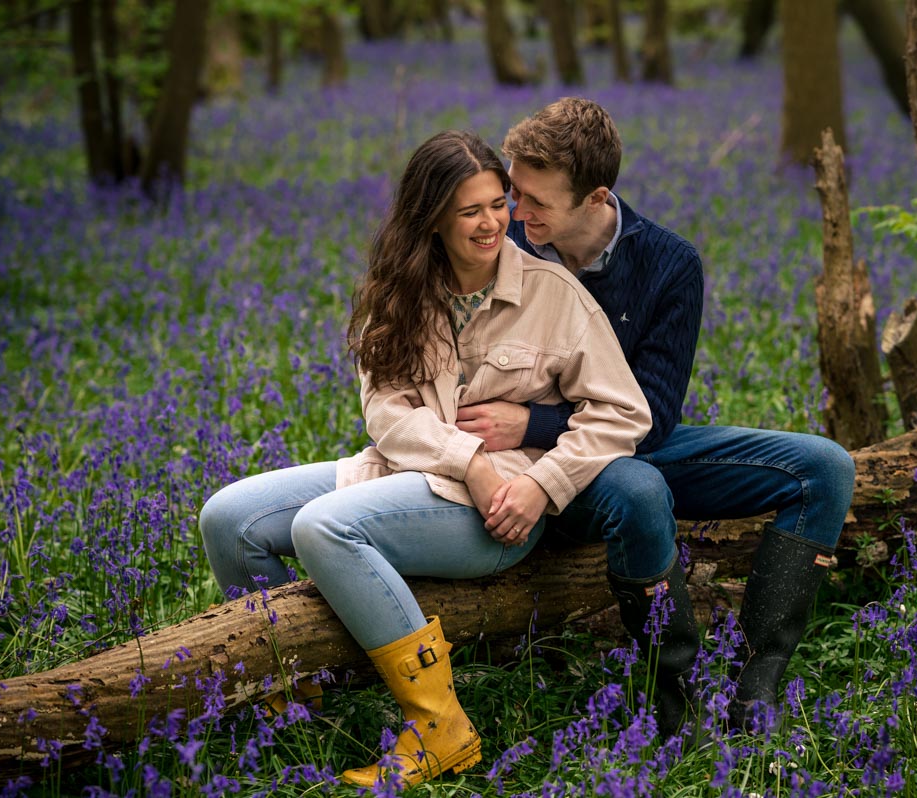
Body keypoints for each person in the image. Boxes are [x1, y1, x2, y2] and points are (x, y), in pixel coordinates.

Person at [198, 130, 651, 787]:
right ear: (432, 216)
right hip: (412, 477)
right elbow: (385, 412)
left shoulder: (554, 296)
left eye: (500, 203)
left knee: (321, 526)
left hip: (497, 508)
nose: (494, 222)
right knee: (227, 518)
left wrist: (545, 485)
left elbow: (623, 414)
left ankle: (440, 727)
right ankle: (294, 708)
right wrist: (465, 456)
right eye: (472, 211)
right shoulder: (398, 292)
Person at [452, 98, 857, 737]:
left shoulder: (670, 265)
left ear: (596, 196)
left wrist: (529, 421)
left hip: (620, 441)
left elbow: (653, 417)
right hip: (528, 468)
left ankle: (754, 691)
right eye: (512, 192)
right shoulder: (499, 249)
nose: (514, 214)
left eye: (535, 202)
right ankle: (674, 706)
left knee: (826, 469)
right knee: (637, 488)